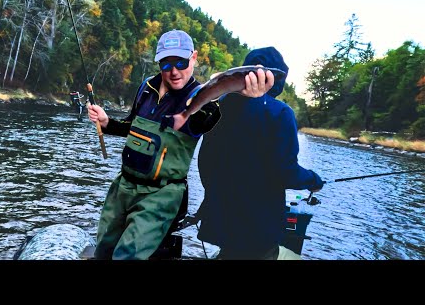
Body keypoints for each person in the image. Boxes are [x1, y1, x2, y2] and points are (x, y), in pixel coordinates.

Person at [87, 29, 274, 260]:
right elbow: (131, 126)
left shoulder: (205, 101)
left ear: (194, 58)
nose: (174, 71)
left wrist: (242, 95)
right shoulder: (146, 87)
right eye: (166, 64)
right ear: (158, 64)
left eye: (181, 62)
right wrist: (107, 123)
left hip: (161, 195)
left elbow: (218, 120)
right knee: (102, 250)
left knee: (127, 255)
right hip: (123, 187)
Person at [196, 46, 325, 260]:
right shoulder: (281, 113)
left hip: (219, 221)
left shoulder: (220, 106)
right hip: (257, 231)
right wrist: (314, 180)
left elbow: (205, 162)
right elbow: (286, 172)